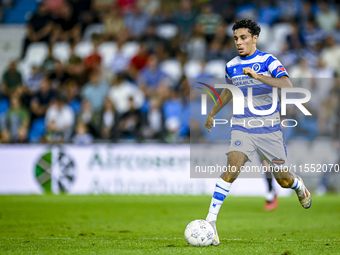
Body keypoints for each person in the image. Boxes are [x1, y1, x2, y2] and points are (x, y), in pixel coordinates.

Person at [203, 19, 312, 246]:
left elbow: (288, 85)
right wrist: (212, 112)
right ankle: (211, 222)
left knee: (283, 180)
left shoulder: (268, 61)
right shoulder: (231, 65)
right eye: (235, 39)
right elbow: (229, 92)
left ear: (255, 38)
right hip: (242, 126)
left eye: (243, 38)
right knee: (231, 169)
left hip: (270, 129)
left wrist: (258, 76)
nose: (238, 43)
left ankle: (298, 185)